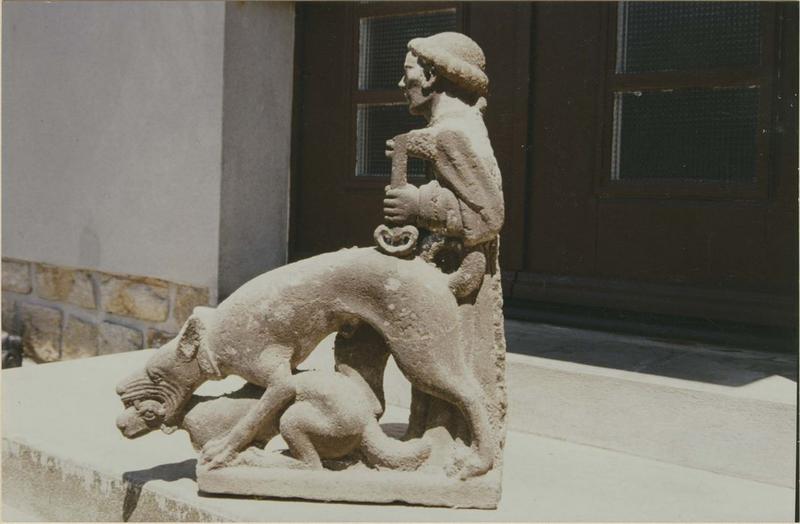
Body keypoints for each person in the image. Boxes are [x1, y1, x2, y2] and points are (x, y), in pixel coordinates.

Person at [382, 32, 507, 459]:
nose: (402, 84)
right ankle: (438, 436)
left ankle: (456, 443)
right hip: (449, 268)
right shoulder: (452, 130)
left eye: (408, 73)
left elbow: (488, 215)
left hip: (458, 275)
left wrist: (418, 203)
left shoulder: (453, 134)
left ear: (433, 76)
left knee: (450, 358)